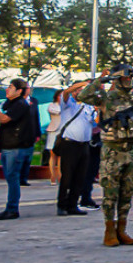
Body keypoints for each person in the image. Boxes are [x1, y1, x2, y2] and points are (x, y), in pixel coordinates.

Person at [76, 64, 133, 247]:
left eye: (130, 78)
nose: (128, 82)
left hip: (131, 151)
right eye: (125, 78)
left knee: (127, 193)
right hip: (112, 151)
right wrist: (100, 81)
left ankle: (122, 229)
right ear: (117, 79)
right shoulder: (106, 98)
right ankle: (109, 229)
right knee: (110, 194)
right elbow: (82, 96)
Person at [0, 78, 35, 220]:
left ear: (19, 91)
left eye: (11, 87)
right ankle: (11, 207)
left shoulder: (20, 104)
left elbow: (5, 119)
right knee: (10, 177)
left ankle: (12, 208)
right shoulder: (11, 103)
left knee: (13, 177)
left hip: (15, 145)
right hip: (8, 144)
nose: (7, 89)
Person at [54, 81, 96, 215]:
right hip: (69, 143)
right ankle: (62, 204)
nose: (80, 92)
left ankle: (73, 205)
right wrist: (83, 83)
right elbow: (65, 92)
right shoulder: (68, 104)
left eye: (83, 90)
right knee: (67, 176)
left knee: (80, 176)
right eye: (78, 90)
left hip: (84, 144)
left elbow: (95, 123)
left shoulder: (89, 107)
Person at [18, 88, 42, 186]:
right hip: (20, 132)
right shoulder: (17, 101)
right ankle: (17, 177)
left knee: (28, 157)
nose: (28, 90)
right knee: (19, 156)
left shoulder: (34, 101)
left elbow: (36, 116)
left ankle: (24, 178)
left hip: (31, 132)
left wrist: (38, 133)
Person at [45, 90, 62, 185]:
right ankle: (52, 175)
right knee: (53, 154)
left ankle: (60, 174)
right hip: (53, 130)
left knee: (61, 155)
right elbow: (56, 112)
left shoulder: (67, 105)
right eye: (60, 96)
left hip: (62, 131)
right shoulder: (52, 105)